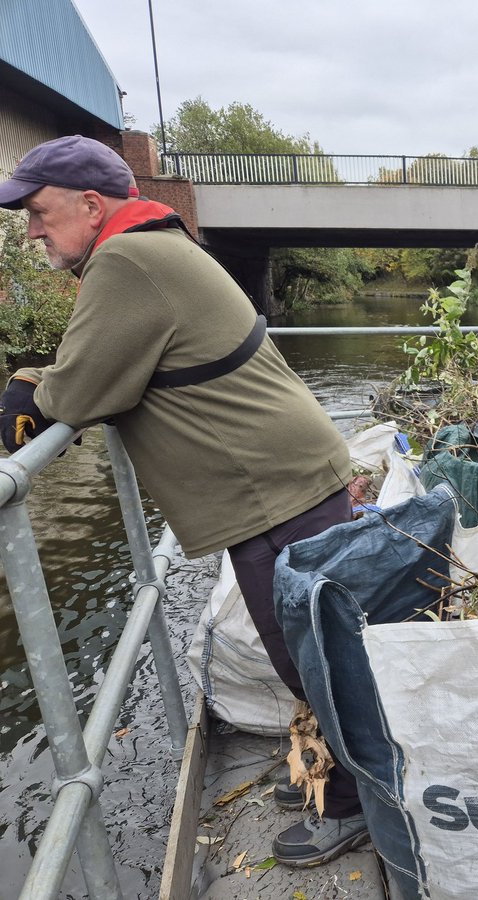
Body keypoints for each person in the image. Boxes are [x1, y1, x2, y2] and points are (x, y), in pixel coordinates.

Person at [0, 136, 367, 867]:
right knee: (306, 650)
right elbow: (101, 359)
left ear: (90, 204)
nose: (31, 229)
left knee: (313, 660)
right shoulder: (151, 248)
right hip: (278, 481)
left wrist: (29, 389)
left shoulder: (126, 261)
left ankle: (355, 805)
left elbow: (80, 388)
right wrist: (42, 378)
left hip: (274, 490)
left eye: (38, 212)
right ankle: (343, 775)